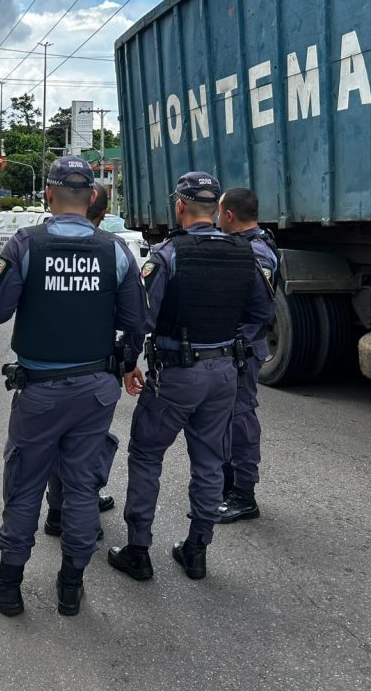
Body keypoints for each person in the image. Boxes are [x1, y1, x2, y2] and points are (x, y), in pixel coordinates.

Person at [0, 156, 148, 618]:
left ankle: (8, 586)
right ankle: (70, 587)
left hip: (39, 392)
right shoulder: (115, 250)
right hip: (95, 391)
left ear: (48, 195)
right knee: (81, 486)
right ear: (93, 197)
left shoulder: (25, 243)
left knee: (25, 483)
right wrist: (125, 364)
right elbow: (136, 324)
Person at [108, 172, 271, 583]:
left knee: (146, 457)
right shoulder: (246, 253)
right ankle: (197, 550)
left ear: (179, 206)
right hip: (224, 374)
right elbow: (261, 315)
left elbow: (140, 319)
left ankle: (138, 551)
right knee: (210, 463)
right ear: (217, 209)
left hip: (175, 374)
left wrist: (129, 362)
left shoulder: (167, 255)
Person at [42, 182, 117, 539]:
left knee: (56, 447)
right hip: (95, 376)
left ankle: (59, 511)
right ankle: (79, 511)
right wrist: (129, 358)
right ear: (98, 210)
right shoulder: (113, 251)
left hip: (42, 379)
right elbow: (137, 320)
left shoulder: (33, 244)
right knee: (86, 451)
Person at [217, 188, 278, 523]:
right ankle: (227, 487)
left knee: (240, 420)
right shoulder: (244, 247)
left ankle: (244, 495)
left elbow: (258, 311)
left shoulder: (256, 253)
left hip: (241, 351)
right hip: (233, 349)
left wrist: (232, 342)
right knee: (225, 418)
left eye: (219, 213)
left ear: (229, 215)